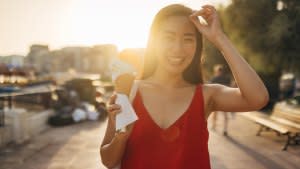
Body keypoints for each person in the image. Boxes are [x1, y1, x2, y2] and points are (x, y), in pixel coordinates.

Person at [100, 4, 269, 169]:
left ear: (198, 47)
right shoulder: (129, 93)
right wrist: (121, 137)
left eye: (188, 39)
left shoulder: (206, 95)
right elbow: (108, 161)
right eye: (168, 38)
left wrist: (219, 38)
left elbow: (258, 98)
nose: (177, 48)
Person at [210, 64, 231, 136]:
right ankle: (224, 129)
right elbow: (229, 88)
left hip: (217, 99)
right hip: (223, 99)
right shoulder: (226, 78)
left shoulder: (214, 78)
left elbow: (210, 90)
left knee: (216, 114)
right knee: (222, 115)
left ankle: (217, 126)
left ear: (216, 71)